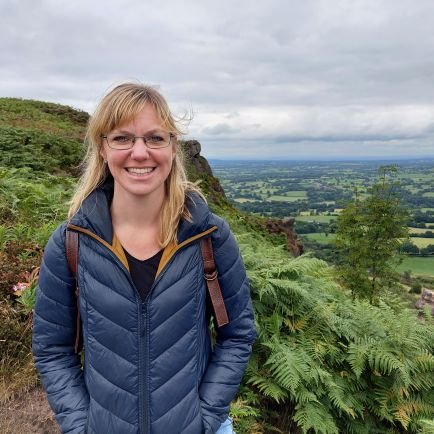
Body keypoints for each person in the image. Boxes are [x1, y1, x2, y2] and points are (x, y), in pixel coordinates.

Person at [32, 82, 256, 434]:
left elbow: (238, 334)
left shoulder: (208, 236)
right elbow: (52, 349)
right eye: (122, 138)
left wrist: (206, 418)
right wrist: (80, 426)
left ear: (173, 147)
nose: (140, 153)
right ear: (103, 148)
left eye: (154, 138)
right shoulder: (71, 243)